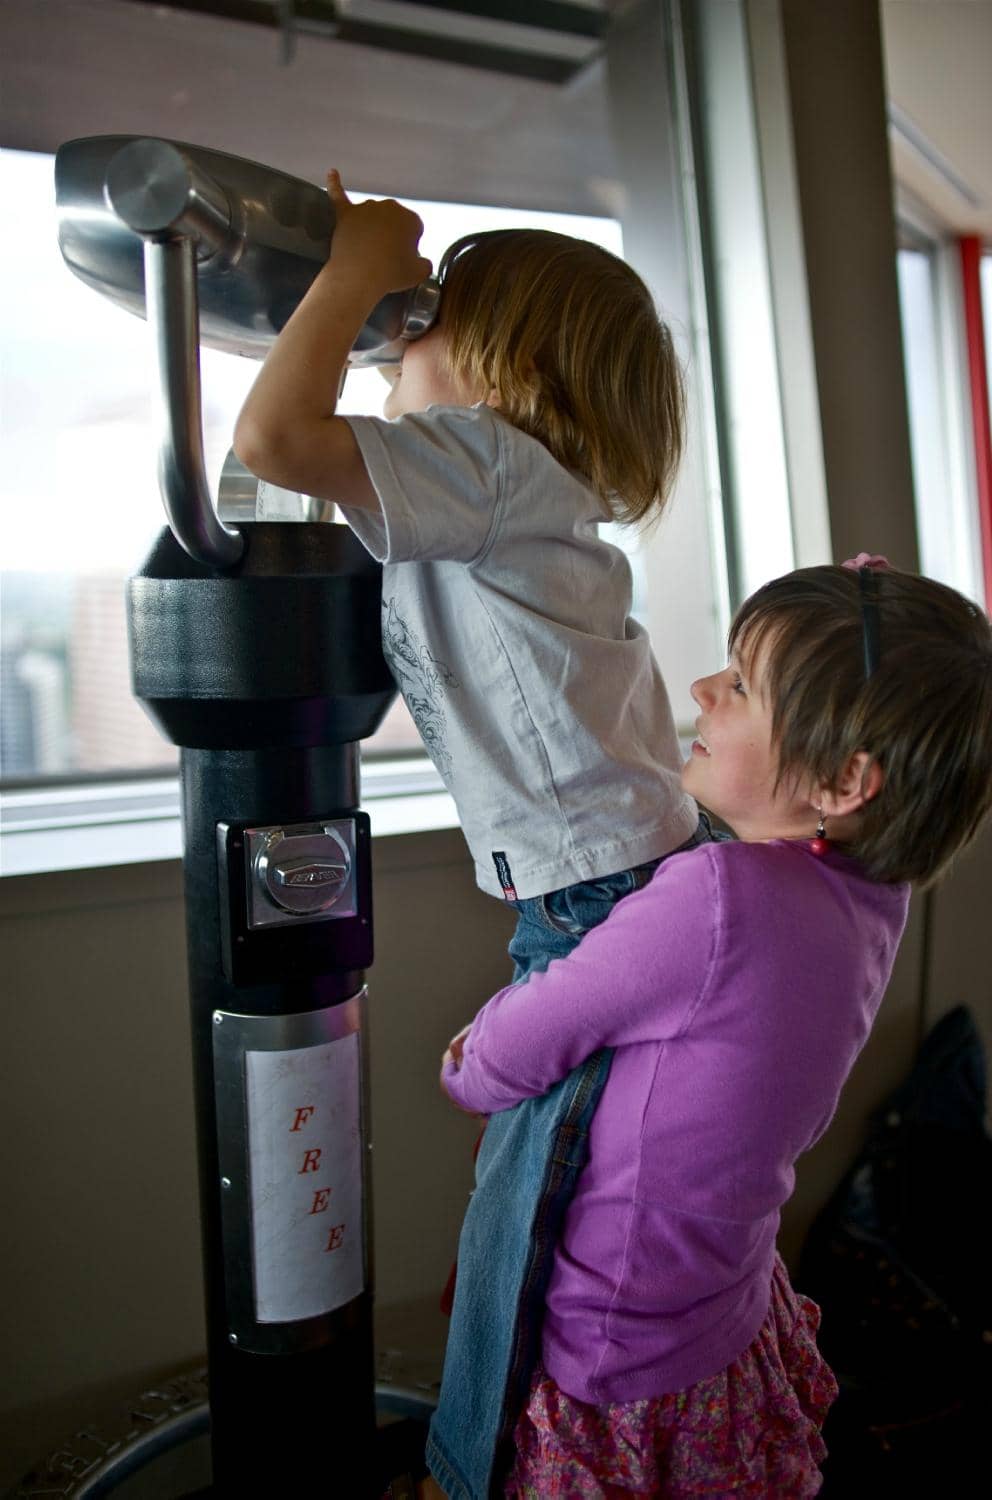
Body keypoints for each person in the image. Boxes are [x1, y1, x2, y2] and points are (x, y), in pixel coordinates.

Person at [235, 172, 710, 1493]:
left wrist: (348, 273)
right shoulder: (509, 489)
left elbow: (275, 438)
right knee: (547, 1188)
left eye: (420, 320)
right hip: (612, 879)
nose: (395, 340)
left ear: (512, 363)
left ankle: (469, 1472)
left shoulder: (490, 464)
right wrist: (372, 296)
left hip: (598, 901)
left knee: (527, 1202)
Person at [437, 558, 992, 1499]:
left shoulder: (721, 896)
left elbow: (550, 1024)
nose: (701, 688)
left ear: (844, 779)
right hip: (717, 1306)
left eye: (740, 686)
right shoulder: (875, 897)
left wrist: (470, 1064)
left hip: (619, 1330)